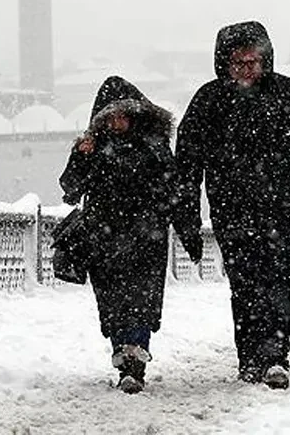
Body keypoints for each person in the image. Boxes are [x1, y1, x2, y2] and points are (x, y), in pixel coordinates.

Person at [175, 21, 290, 390]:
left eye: (252, 61)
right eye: (238, 63)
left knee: (275, 280)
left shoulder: (289, 94)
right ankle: (250, 359)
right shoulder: (209, 101)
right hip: (230, 209)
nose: (246, 70)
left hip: (281, 208)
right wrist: (186, 215)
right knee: (243, 283)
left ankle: (274, 357)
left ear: (265, 60)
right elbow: (187, 164)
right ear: (225, 63)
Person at [59, 76, 203, 394]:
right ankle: (124, 356)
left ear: (136, 114)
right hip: (104, 239)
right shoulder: (94, 149)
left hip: (146, 239)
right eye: (110, 116)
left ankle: (134, 362)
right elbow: (70, 190)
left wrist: (189, 232)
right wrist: (81, 156)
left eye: (122, 114)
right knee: (113, 303)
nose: (117, 122)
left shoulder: (154, 148)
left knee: (141, 301)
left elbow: (175, 193)